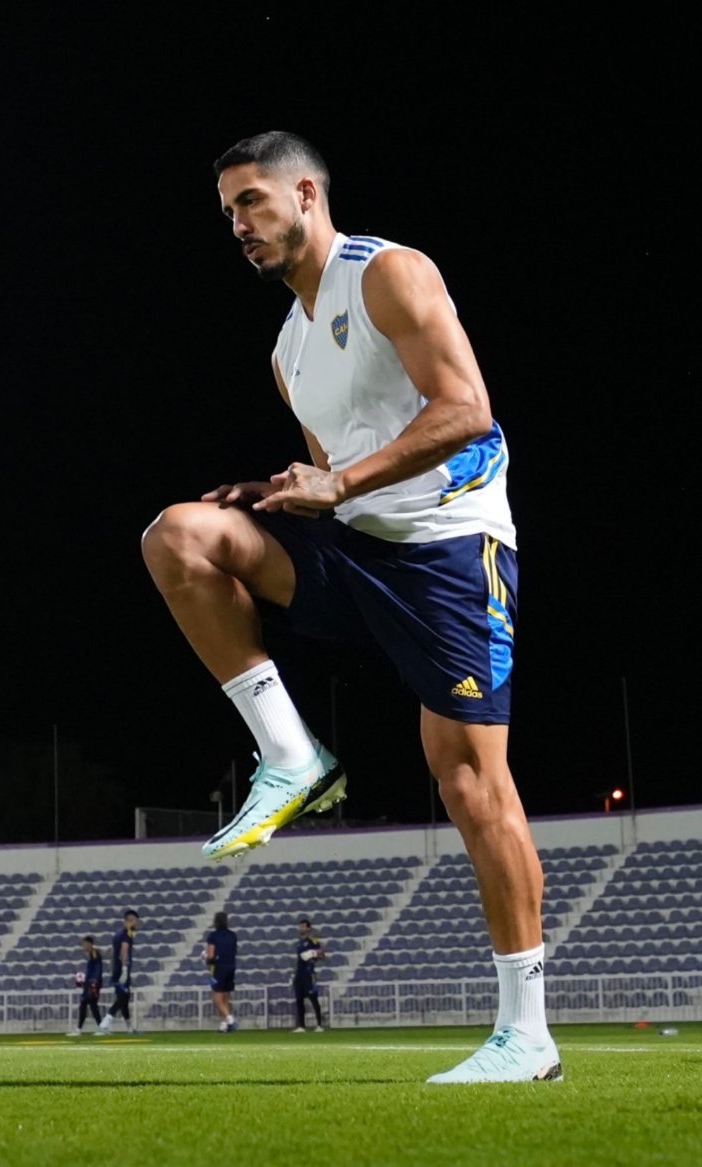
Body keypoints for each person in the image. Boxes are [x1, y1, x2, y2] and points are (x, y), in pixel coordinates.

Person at [141, 130, 562, 1083]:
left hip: (453, 549)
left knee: (469, 782)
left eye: (250, 202)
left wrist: (342, 485)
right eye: (227, 214)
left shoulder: (389, 274)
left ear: (305, 193)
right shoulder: (289, 350)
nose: (238, 225)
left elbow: (467, 411)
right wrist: (285, 489)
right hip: (360, 540)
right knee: (180, 535)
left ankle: (527, 1035)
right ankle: (290, 755)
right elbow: (337, 476)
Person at [96, 909, 140, 1036]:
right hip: (122, 969)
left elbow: (112, 953)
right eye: (135, 922)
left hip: (116, 969)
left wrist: (111, 968)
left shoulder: (117, 934)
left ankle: (129, 1027)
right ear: (130, 921)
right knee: (122, 998)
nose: (136, 924)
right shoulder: (127, 934)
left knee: (124, 997)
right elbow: (124, 950)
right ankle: (104, 1025)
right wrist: (124, 969)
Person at [203, 910, 238, 1032]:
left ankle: (230, 1020)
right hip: (231, 967)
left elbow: (211, 955)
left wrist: (205, 956)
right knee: (225, 998)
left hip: (218, 968)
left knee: (217, 998)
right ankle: (224, 1026)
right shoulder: (233, 935)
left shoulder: (213, 936)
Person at [292, 917, 325, 1032]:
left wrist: (312, 953)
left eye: (303, 926)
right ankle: (301, 1026)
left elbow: (322, 955)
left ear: (308, 928)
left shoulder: (313, 940)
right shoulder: (299, 943)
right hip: (299, 974)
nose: (301, 928)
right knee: (299, 999)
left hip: (308, 973)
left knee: (313, 998)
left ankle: (319, 1025)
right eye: (300, 926)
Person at [66, 934, 103, 1036]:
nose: (84, 946)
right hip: (90, 983)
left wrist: (94, 980)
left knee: (88, 1005)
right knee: (89, 1005)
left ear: (90, 944)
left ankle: (81, 1029)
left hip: (93, 984)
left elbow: (98, 967)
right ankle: (100, 1027)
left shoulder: (94, 953)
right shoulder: (91, 955)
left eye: (85, 944)